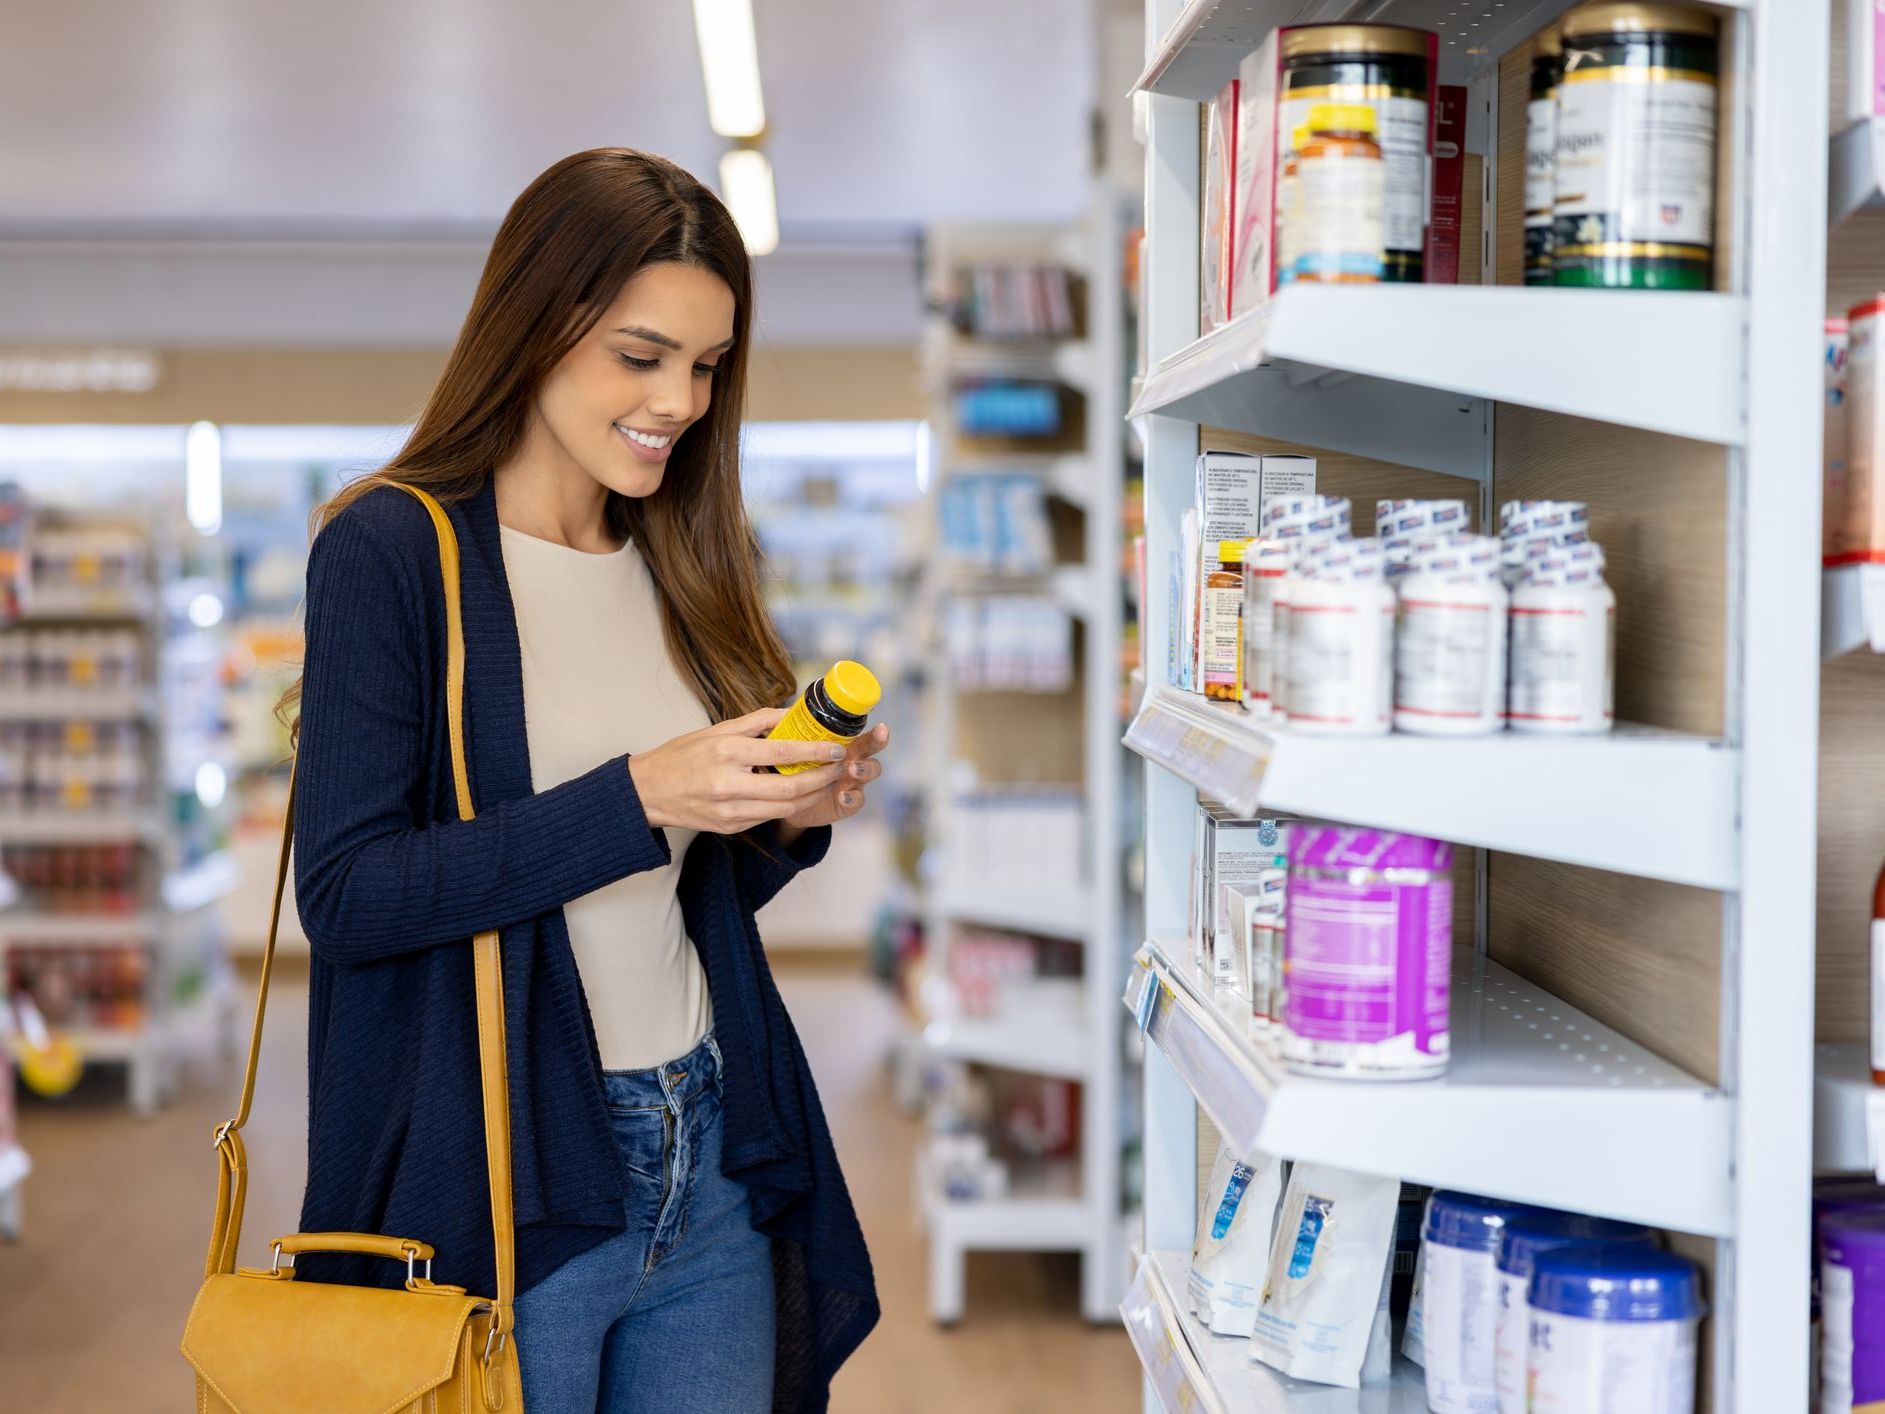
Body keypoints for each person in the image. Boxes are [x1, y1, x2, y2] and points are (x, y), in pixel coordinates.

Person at [279, 148, 882, 1413]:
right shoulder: (393, 546)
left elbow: (671, 899)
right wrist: (645, 792)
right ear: (538, 325)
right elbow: (348, 896)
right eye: (640, 354)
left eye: (709, 365)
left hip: (712, 1144)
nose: (681, 400)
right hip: (512, 1172)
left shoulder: (681, 547)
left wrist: (772, 812)